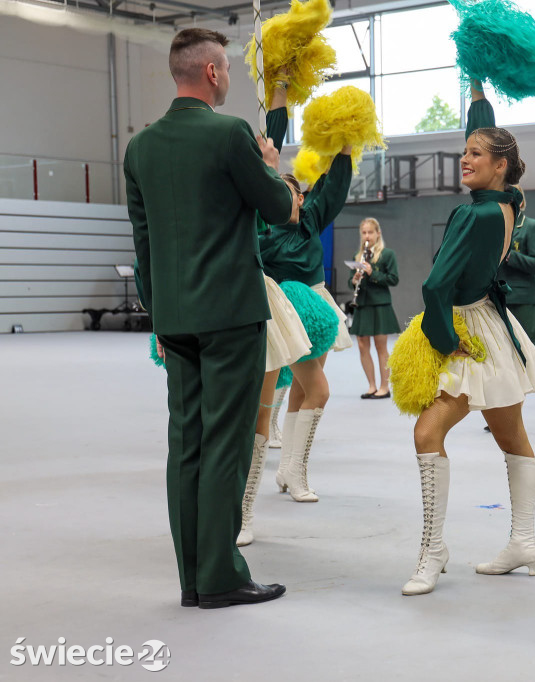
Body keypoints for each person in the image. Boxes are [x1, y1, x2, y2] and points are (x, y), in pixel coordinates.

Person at [126, 28, 296, 608]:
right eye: (226, 69)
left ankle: (191, 578)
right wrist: (272, 165)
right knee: (227, 443)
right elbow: (279, 210)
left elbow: (143, 243)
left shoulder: (140, 147)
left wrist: (158, 313)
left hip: (174, 317)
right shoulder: (230, 135)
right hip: (229, 312)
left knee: (187, 444)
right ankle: (222, 577)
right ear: (214, 73)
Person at [399, 83, 535, 596]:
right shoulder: (510, 205)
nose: (465, 158)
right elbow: (487, 143)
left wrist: (441, 339)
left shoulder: (472, 213)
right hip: (494, 323)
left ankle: (432, 549)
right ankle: (524, 540)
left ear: (500, 164)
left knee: (426, 434)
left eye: (474, 154)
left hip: (467, 330)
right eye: (465, 151)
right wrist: (478, 96)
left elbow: (435, 285)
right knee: (512, 436)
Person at [259, 83, 352, 501]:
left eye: (293, 190)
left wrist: (347, 135)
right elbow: (269, 149)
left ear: (301, 196)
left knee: (303, 388)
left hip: (317, 308)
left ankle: (290, 471)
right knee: (315, 390)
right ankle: (292, 472)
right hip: (285, 309)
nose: (289, 197)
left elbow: (336, 182)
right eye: (277, 191)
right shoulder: (262, 231)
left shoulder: (311, 219)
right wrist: (277, 95)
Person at [349, 217, 401, 399]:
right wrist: (354, 279)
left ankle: (384, 387)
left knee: (381, 347)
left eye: (370, 232)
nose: (367, 236)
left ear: (378, 233)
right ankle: (371, 386)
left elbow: (393, 279)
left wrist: (372, 273)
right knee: (363, 346)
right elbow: (351, 282)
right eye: (364, 233)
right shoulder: (358, 256)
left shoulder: (387, 254)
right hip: (362, 304)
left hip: (379, 305)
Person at [497, 188, 535, 348]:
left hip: (522, 300)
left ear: (520, 202)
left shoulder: (532, 226)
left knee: (525, 354)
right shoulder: (495, 227)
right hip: (496, 298)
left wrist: (511, 256)